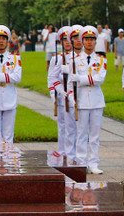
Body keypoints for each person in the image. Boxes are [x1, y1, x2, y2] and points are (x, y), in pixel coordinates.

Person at [72, 26, 107, 174]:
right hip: (81, 100)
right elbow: (70, 83)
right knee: (81, 134)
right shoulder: (74, 60)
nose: (89, 42)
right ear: (82, 41)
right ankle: (81, 161)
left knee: (94, 135)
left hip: (96, 100)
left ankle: (93, 163)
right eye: (86, 39)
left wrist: (80, 78)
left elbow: (100, 79)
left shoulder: (101, 59)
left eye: (92, 40)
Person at [0, 25, 22, 142]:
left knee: (8, 134)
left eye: (3, 38)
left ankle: (7, 159)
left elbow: (17, 77)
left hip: (9, 97)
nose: (1, 41)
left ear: (7, 41)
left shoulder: (15, 58)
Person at [48, 27, 75, 160]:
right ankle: (62, 150)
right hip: (61, 94)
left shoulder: (75, 57)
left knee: (74, 125)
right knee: (62, 124)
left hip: (73, 94)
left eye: (69, 40)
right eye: (64, 40)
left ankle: (72, 152)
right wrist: (53, 93)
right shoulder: (57, 58)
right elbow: (50, 77)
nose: (67, 43)